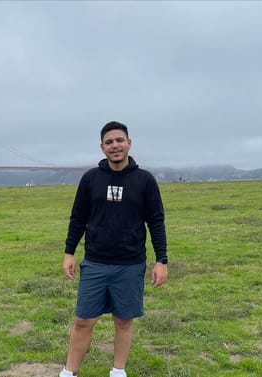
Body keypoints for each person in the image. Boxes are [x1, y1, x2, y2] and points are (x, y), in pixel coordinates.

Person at [59, 121, 168, 377]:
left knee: (123, 321)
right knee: (83, 321)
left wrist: (161, 260)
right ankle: (68, 372)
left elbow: (156, 221)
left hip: (130, 264)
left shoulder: (145, 180)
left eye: (119, 140)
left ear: (129, 143)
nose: (115, 146)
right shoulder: (90, 179)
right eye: (109, 142)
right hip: (95, 262)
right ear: (102, 147)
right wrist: (69, 252)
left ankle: (118, 371)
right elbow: (78, 218)